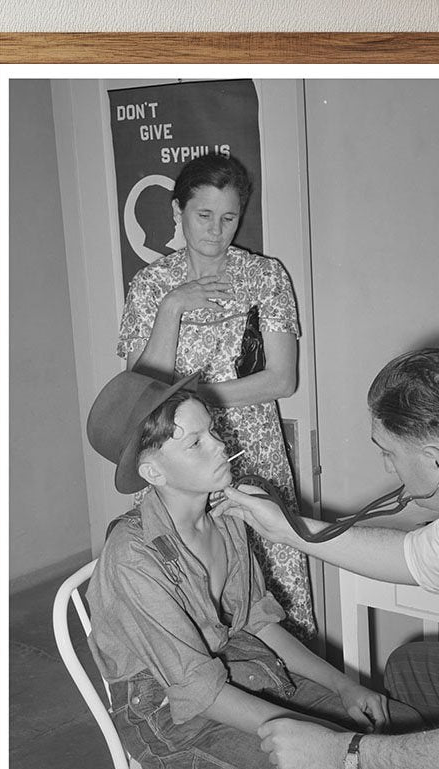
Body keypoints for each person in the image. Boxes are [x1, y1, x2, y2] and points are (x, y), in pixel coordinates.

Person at [215, 348, 439, 769]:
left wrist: (341, 753)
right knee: (409, 667)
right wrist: (290, 530)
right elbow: (413, 556)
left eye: (389, 453)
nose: (387, 468)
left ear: (436, 463)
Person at [84, 369, 422, 769]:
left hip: (240, 666)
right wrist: (332, 743)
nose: (220, 446)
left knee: (400, 731)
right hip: (171, 715)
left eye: (213, 431)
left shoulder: (226, 516)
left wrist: (344, 685)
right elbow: (199, 690)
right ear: (153, 472)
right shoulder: (133, 558)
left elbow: (257, 622)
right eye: (196, 443)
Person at [117, 153, 315, 640]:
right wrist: (172, 308)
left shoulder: (265, 276)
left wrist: (197, 399)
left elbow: (281, 380)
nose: (216, 230)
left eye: (229, 218)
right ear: (177, 211)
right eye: (203, 215)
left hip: (256, 450)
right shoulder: (151, 285)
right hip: (179, 455)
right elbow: (141, 386)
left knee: (271, 573)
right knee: (192, 582)